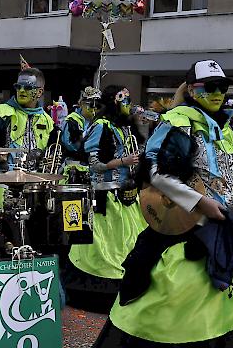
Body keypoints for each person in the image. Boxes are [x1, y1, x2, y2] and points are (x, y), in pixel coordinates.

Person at [102, 60, 233, 347]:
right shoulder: (178, 122)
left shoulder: (226, 130)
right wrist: (199, 202)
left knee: (227, 313)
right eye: (210, 87)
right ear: (191, 89)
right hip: (184, 231)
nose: (217, 93)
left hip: (224, 233)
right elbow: (153, 171)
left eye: (222, 88)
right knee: (169, 314)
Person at [65, 86, 147, 312]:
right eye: (124, 100)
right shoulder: (101, 126)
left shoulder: (124, 127)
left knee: (132, 240)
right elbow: (94, 165)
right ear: (113, 102)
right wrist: (124, 162)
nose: (128, 104)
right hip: (105, 196)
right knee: (104, 247)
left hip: (126, 196)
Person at [0, 67, 56, 206]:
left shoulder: (48, 121)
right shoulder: (0, 113)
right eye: (18, 87)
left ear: (40, 92)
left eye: (28, 87)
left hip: (34, 191)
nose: (22, 91)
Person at [60, 86, 102, 184]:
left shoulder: (100, 121)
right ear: (81, 104)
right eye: (91, 105)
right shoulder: (72, 121)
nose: (94, 108)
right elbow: (72, 146)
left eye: (98, 106)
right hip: (75, 168)